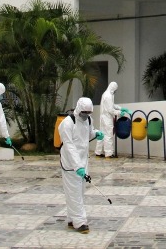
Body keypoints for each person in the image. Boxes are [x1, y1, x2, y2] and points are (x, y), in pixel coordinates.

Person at [59, 97, 103, 234]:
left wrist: (96, 133)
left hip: (83, 161)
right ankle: (80, 222)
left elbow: (88, 134)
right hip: (70, 163)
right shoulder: (67, 123)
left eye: (89, 113)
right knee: (74, 192)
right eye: (84, 113)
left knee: (79, 191)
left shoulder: (88, 120)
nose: (86, 115)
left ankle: (71, 219)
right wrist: (77, 166)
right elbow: (69, 146)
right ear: (79, 109)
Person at [94, 81, 129, 158]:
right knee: (108, 135)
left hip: (103, 117)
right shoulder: (108, 96)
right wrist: (119, 113)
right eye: (115, 89)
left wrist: (120, 108)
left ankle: (98, 152)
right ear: (113, 88)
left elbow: (112, 105)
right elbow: (110, 110)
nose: (115, 91)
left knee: (101, 134)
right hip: (107, 118)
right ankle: (109, 154)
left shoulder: (106, 94)